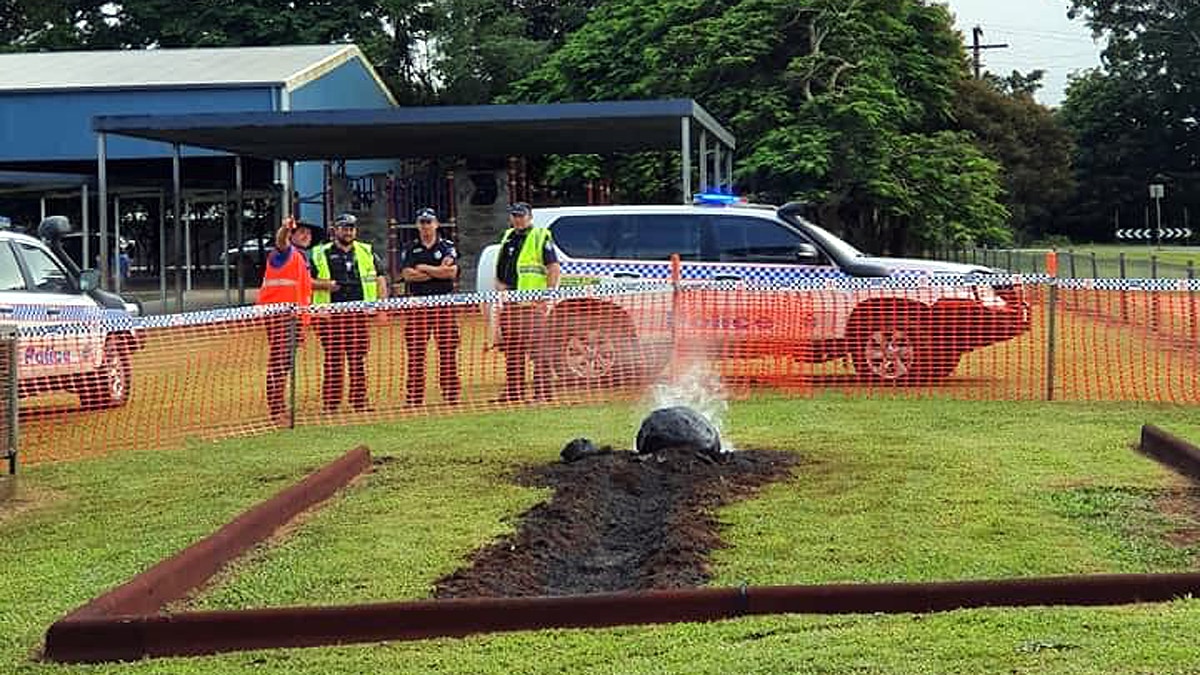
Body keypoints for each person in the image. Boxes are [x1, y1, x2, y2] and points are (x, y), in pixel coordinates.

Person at [309, 213, 389, 413]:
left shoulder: (367, 251)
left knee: (357, 359)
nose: (348, 231)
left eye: (351, 228)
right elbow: (306, 281)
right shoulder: (320, 253)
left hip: (358, 314)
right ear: (335, 230)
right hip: (331, 316)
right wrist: (325, 285)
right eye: (344, 228)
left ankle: (359, 402)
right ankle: (331, 404)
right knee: (333, 360)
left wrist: (382, 309)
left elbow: (380, 279)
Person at [256, 218, 327, 424]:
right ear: (292, 236)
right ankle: (277, 410)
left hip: (293, 317)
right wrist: (285, 229)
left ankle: (279, 408)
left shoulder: (302, 259)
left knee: (284, 363)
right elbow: (280, 241)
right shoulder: (285, 253)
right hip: (281, 316)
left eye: (309, 233)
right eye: (301, 232)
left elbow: (303, 289)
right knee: (279, 363)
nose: (306, 235)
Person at [493, 202, 560, 403]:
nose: (518, 219)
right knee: (512, 352)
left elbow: (553, 267)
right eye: (515, 215)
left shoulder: (540, 236)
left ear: (530, 217)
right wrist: (501, 288)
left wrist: (548, 295)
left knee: (539, 352)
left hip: (532, 306)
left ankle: (542, 394)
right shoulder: (508, 237)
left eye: (521, 216)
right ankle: (514, 393)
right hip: (511, 305)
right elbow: (502, 269)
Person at [400, 207, 461, 407]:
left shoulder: (447, 246)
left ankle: (451, 394)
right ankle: (414, 397)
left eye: (429, 222)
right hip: (418, 304)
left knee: (448, 350)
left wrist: (424, 269)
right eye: (422, 222)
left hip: (443, 303)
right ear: (418, 225)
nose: (426, 226)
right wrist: (437, 271)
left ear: (436, 224)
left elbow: (451, 273)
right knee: (416, 351)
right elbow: (407, 275)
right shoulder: (410, 247)